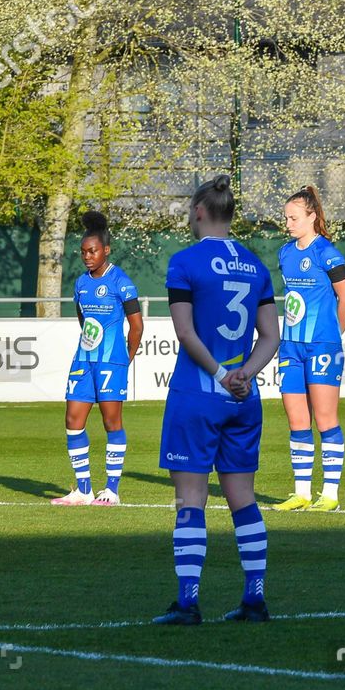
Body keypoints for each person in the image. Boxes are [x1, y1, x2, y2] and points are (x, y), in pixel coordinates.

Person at [152, 177, 281, 625]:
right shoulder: (255, 264)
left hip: (199, 394)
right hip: (244, 399)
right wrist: (245, 373)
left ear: (200, 211)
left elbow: (185, 333)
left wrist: (222, 375)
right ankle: (254, 598)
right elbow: (271, 338)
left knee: (190, 500)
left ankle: (187, 603)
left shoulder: (184, 262)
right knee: (243, 499)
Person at [271, 185, 345, 512]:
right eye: (286, 218)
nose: (288, 223)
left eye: (294, 218)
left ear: (312, 217)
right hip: (291, 347)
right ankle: (302, 492)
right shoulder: (285, 253)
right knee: (297, 421)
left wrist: (332, 336)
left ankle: (330, 494)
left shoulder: (327, 253)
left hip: (322, 346)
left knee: (325, 418)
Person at [53, 210, 144, 506]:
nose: (87, 256)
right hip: (84, 359)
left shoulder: (121, 282)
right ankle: (83, 489)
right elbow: (83, 319)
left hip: (111, 362)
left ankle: (112, 490)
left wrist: (124, 359)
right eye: (83, 252)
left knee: (111, 422)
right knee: (73, 419)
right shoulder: (80, 284)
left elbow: (137, 326)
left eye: (92, 251)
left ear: (106, 250)